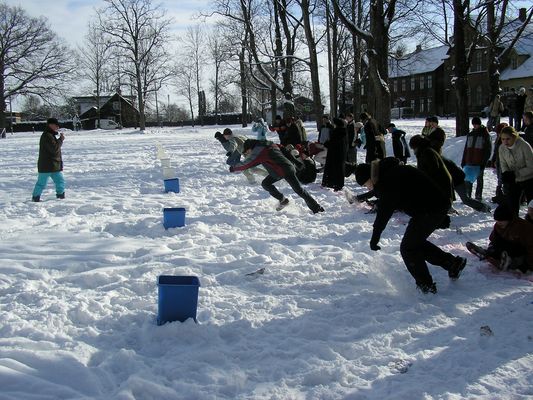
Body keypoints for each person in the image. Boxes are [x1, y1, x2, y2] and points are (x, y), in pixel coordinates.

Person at [354, 158, 467, 294]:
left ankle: (426, 285)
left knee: (408, 248)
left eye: (366, 184)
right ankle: (452, 264)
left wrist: (375, 237)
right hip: (433, 207)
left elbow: (384, 211)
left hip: (430, 209)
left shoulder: (388, 181)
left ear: (370, 177)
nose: (368, 187)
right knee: (414, 243)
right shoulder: (389, 172)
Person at [230, 139, 324, 213]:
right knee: (266, 184)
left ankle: (317, 208)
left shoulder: (259, 151)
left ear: (250, 148)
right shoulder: (268, 145)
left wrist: (234, 168)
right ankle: (283, 200)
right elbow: (283, 149)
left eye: (247, 152)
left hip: (285, 170)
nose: (247, 154)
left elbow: (248, 163)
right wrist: (295, 162)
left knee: (299, 190)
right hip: (279, 171)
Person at [475, 205, 533, 272]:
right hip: (507, 249)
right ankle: (494, 255)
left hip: (521, 252)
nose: (499, 222)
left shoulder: (524, 227)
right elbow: (493, 239)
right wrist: (491, 248)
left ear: (509, 219)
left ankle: (511, 262)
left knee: (515, 253)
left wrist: (528, 264)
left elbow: (531, 247)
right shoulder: (498, 225)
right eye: (497, 220)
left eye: (502, 220)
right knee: (498, 244)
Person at [498, 126, 533, 216]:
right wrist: (506, 174)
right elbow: (503, 164)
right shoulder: (502, 148)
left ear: (514, 137)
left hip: (529, 179)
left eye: (508, 139)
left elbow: (531, 166)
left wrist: (515, 173)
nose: (505, 142)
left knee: (531, 206)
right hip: (514, 180)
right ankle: (514, 224)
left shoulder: (524, 146)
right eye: (503, 139)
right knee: (512, 206)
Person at [31, 118, 65, 202]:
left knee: (60, 181)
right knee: (41, 183)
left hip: (53, 165)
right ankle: (35, 198)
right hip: (46, 165)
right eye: (56, 125)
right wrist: (61, 139)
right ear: (50, 125)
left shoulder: (50, 135)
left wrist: (59, 140)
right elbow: (54, 149)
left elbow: (54, 147)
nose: (57, 127)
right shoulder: (47, 135)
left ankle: (61, 197)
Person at [461, 117, 492, 200]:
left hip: (479, 161)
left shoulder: (485, 135)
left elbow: (488, 150)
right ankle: (468, 195)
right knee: (468, 178)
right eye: (473, 124)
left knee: (479, 179)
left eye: (476, 124)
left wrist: (484, 162)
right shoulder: (470, 134)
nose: (475, 126)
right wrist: (463, 160)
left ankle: (478, 195)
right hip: (469, 160)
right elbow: (466, 148)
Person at [321, 117, 347, 191]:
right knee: (340, 170)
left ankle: (333, 183)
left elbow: (333, 142)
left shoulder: (337, 132)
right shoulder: (344, 131)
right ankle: (339, 183)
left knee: (334, 169)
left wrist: (326, 143)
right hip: (341, 153)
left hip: (335, 154)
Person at [489, 122, 509, 204]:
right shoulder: (498, 139)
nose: (498, 134)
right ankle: (499, 194)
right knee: (499, 178)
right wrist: (493, 160)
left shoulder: (506, 140)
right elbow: (495, 151)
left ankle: (503, 195)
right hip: (498, 161)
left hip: (504, 162)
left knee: (503, 179)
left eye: (499, 133)